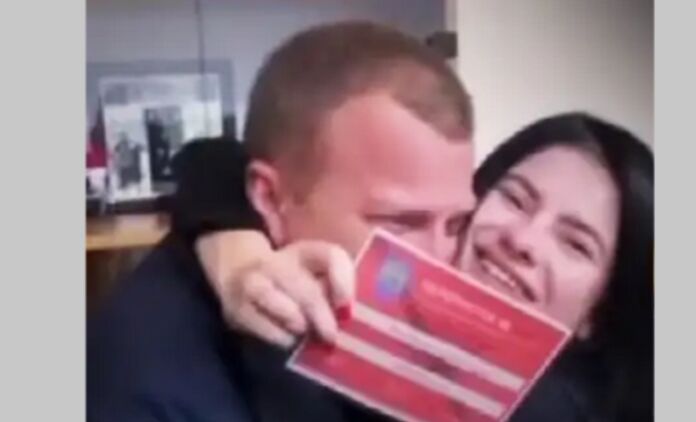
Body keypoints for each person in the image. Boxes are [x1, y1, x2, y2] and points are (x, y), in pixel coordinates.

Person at [87, 20, 475, 422]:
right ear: (271, 199)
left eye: (456, 225)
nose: (442, 265)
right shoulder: (146, 387)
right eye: (401, 222)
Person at [170, 112, 654, 422]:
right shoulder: (378, 291)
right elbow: (211, 159)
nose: (522, 240)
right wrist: (240, 255)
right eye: (515, 199)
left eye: (575, 244)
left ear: (598, 312)